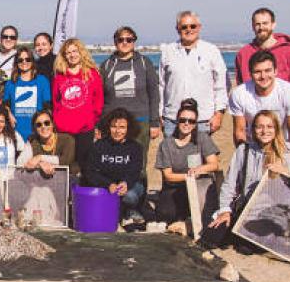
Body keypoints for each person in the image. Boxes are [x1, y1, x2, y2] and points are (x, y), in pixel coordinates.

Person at [209, 110, 290, 232]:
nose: (264, 131)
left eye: (269, 127)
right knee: (215, 230)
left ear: (276, 129)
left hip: (273, 213)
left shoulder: (287, 153)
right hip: (245, 210)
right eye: (259, 127)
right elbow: (229, 184)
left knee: (248, 245)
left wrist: (286, 172)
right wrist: (225, 210)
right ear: (253, 129)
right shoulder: (243, 150)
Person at [158, 11, 227, 136]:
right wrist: (160, 114)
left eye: (193, 26)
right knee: (171, 155)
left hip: (202, 120)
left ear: (199, 27)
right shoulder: (168, 51)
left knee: (199, 156)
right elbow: (161, 85)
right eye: (184, 27)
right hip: (172, 119)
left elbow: (221, 86)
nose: (189, 30)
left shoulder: (211, 51)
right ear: (177, 29)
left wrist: (219, 114)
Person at [99, 26, 161, 163]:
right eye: (121, 39)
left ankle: (140, 185)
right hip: (113, 123)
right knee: (114, 161)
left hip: (140, 121)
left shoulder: (145, 63)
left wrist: (154, 122)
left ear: (134, 42)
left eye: (129, 39)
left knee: (139, 161)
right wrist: (99, 125)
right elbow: (99, 96)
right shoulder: (107, 65)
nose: (125, 43)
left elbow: (154, 94)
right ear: (115, 42)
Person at [154, 99, 221, 225]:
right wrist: (189, 176)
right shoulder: (166, 144)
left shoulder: (202, 138)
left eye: (191, 121)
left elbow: (214, 164)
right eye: (182, 120)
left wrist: (199, 170)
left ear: (195, 124)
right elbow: (168, 176)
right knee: (165, 213)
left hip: (198, 187)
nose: (186, 124)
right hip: (175, 187)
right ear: (177, 121)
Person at [229, 49, 290, 160]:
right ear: (250, 74)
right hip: (254, 144)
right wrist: (244, 158)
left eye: (268, 70)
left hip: (284, 142)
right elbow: (239, 131)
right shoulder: (239, 94)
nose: (263, 76)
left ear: (275, 71)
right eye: (257, 72)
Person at [86, 108, 147, 231]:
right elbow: (90, 171)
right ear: (108, 127)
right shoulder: (99, 145)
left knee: (130, 196)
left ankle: (129, 211)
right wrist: (107, 184)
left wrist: (126, 183)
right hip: (107, 185)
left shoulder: (135, 147)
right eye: (114, 126)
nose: (117, 131)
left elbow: (135, 170)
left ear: (128, 128)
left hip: (128, 185)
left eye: (122, 127)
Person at [52, 38, 103, 173]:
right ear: (64, 56)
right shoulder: (60, 77)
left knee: (84, 166)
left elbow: (98, 101)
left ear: (81, 52)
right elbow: (56, 102)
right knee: (65, 166)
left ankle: (81, 193)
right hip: (64, 129)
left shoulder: (92, 74)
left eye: (75, 51)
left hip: (85, 129)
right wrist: (58, 121)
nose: (72, 55)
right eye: (68, 53)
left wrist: (92, 122)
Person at [234, 8, 290, 95]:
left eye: (265, 23)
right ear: (253, 26)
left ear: (273, 25)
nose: (261, 27)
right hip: (252, 106)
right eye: (257, 24)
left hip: (282, 106)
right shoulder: (243, 54)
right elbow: (241, 86)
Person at [3, 47, 51, 142]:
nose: (24, 62)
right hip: (16, 133)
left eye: (28, 59)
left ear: (32, 61)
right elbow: (5, 105)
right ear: (16, 63)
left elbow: (48, 107)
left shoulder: (42, 80)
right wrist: (8, 114)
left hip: (37, 133)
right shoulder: (10, 83)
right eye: (20, 60)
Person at [25, 109, 78, 176]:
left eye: (47, 123)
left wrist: (40, 158)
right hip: (43, 183)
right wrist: (39, 164)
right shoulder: (33, 141)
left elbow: (65, 161)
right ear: (35, 128)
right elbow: (21, 162)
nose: (43, 127)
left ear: (52, 124)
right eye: (39, 125)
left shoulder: (67, 139)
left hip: (68, 180)